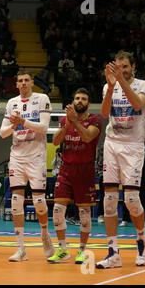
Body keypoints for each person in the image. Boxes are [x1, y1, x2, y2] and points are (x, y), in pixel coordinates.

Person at [96, 51, 145, 269]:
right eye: (117, 67)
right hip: (112, 143)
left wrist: (119, 80)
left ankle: (142, 240)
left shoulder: (144, 85)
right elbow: (103, 112)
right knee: (108, 201)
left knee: (130, 199)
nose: (121, 70)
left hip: (134, 146)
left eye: (125, 67)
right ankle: (113, 253)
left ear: (133, 67)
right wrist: (110, 87)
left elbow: (137, 105)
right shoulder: (108, 85)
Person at [0, 70, 54, 262]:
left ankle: (45, 234)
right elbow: (2, 133)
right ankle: (20, 248)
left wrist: (23, 121)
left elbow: (45, 128)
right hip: (17, 156)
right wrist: (14, 125)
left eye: (26, 80)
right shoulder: (12, 103)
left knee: (39, 202)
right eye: (19, 80)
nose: (23, 83)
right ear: (16, 84)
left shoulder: (42, 99)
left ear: (31, 83)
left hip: (36, 156)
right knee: (15, 201)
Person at [47, 88, 101, 264]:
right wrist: (68, 124)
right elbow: (55, 141)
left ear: (88, 103)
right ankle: (63, 249)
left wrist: (75, 121)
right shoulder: (65, 120)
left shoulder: (95, 120)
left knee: (84, 213)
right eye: (77, 98)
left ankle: (82, 250)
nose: (79, 101)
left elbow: (86, 137)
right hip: (66, 170)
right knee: (57, 211)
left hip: (85, 172)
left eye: (83, 99)